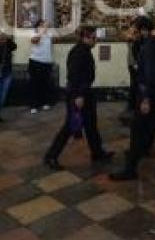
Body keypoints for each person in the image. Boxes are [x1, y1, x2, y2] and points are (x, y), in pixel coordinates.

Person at [110, 16, 155, 180]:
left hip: (152, 97)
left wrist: (146, 98)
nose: (132, 33)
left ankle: (130, 169)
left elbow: (150, 73)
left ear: (143, 30)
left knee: (138, 130)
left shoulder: (150, 47)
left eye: (134, 30)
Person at [44, 26, 113, 170]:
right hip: (78, 94)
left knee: (91, 124)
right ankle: (51, 156)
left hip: (85, 93)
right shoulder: (78, 52)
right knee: (70, 126)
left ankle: (97, 152)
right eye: (93, 38)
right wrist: (78, 96)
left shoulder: (84, 50)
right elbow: (74, 76)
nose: (96, 41)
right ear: (85, 38)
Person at [28, 20, 55, 114]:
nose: (45, 27)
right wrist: (41, 32)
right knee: (35, 84)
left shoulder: (49, 34)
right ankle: (33, 105)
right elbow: (34, 41)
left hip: (47, 62)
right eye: (42, 25)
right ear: (38, 26)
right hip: (36, 61)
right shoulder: (33, 33)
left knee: (46, 83)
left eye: (45, 25)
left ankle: (45, 102)